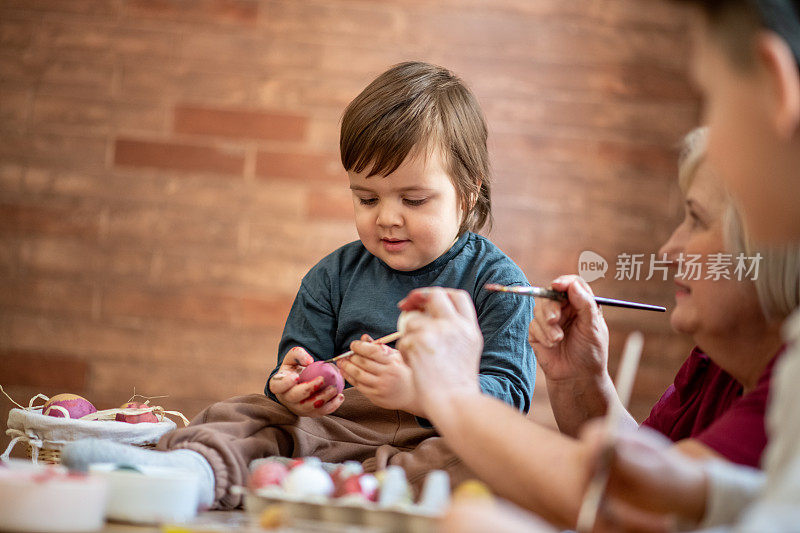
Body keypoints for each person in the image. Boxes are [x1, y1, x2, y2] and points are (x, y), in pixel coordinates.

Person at [61, 61, 535, 510]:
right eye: (366, 198)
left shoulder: (499, 285)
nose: (387, 218)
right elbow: (292, 373)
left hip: (425, 445)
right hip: (327, 433)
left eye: (413, 199)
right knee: (243, 413)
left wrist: (420, 392)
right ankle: (187, 474)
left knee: (484, 460)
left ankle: (318, 488)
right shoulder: (332, 276)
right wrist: (290, 387)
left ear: (468, 192)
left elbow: (509, 400)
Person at [394, 128, 794, 529]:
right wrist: (581, 380)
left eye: (696, 219)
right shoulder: (712, 365)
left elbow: (632, 505)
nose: (668, 251)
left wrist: (453, 394)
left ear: (772, 249)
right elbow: (648, 472)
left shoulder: (788, 385)